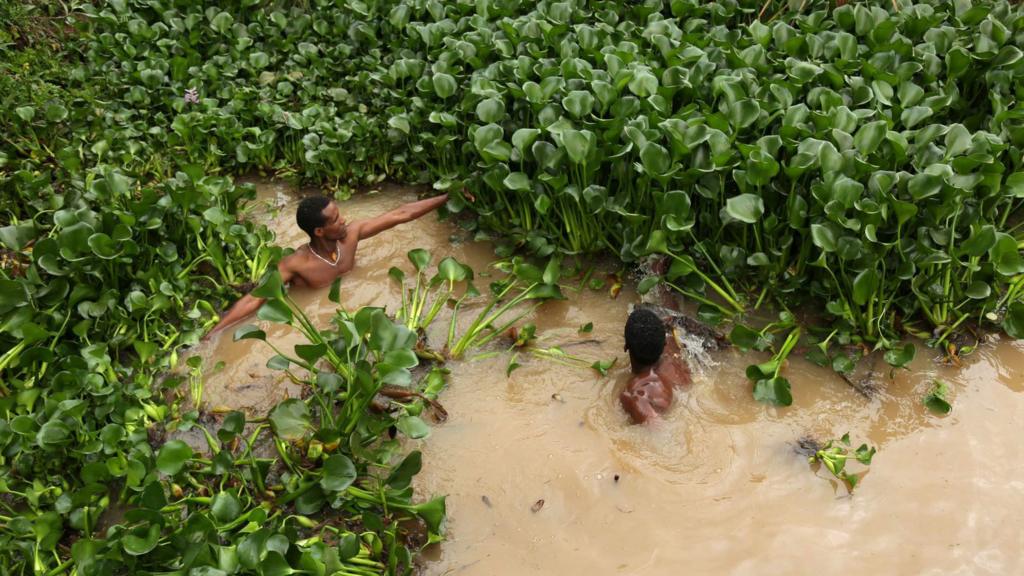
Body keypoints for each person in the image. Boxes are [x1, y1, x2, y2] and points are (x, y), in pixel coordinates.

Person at [204, 192, 449, 339]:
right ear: (319, 231)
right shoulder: (297, 263)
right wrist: (214, 333)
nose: (343, 220)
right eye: (335, 219)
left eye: (340, 214)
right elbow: (254, 299)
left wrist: (448, 197)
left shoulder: (351, 235)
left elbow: (400, 214)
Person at [620, 307, 691, 424]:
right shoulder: (674, 351)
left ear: (626, 346)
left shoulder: (634, 395)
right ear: (665, 343)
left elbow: (658, 433)